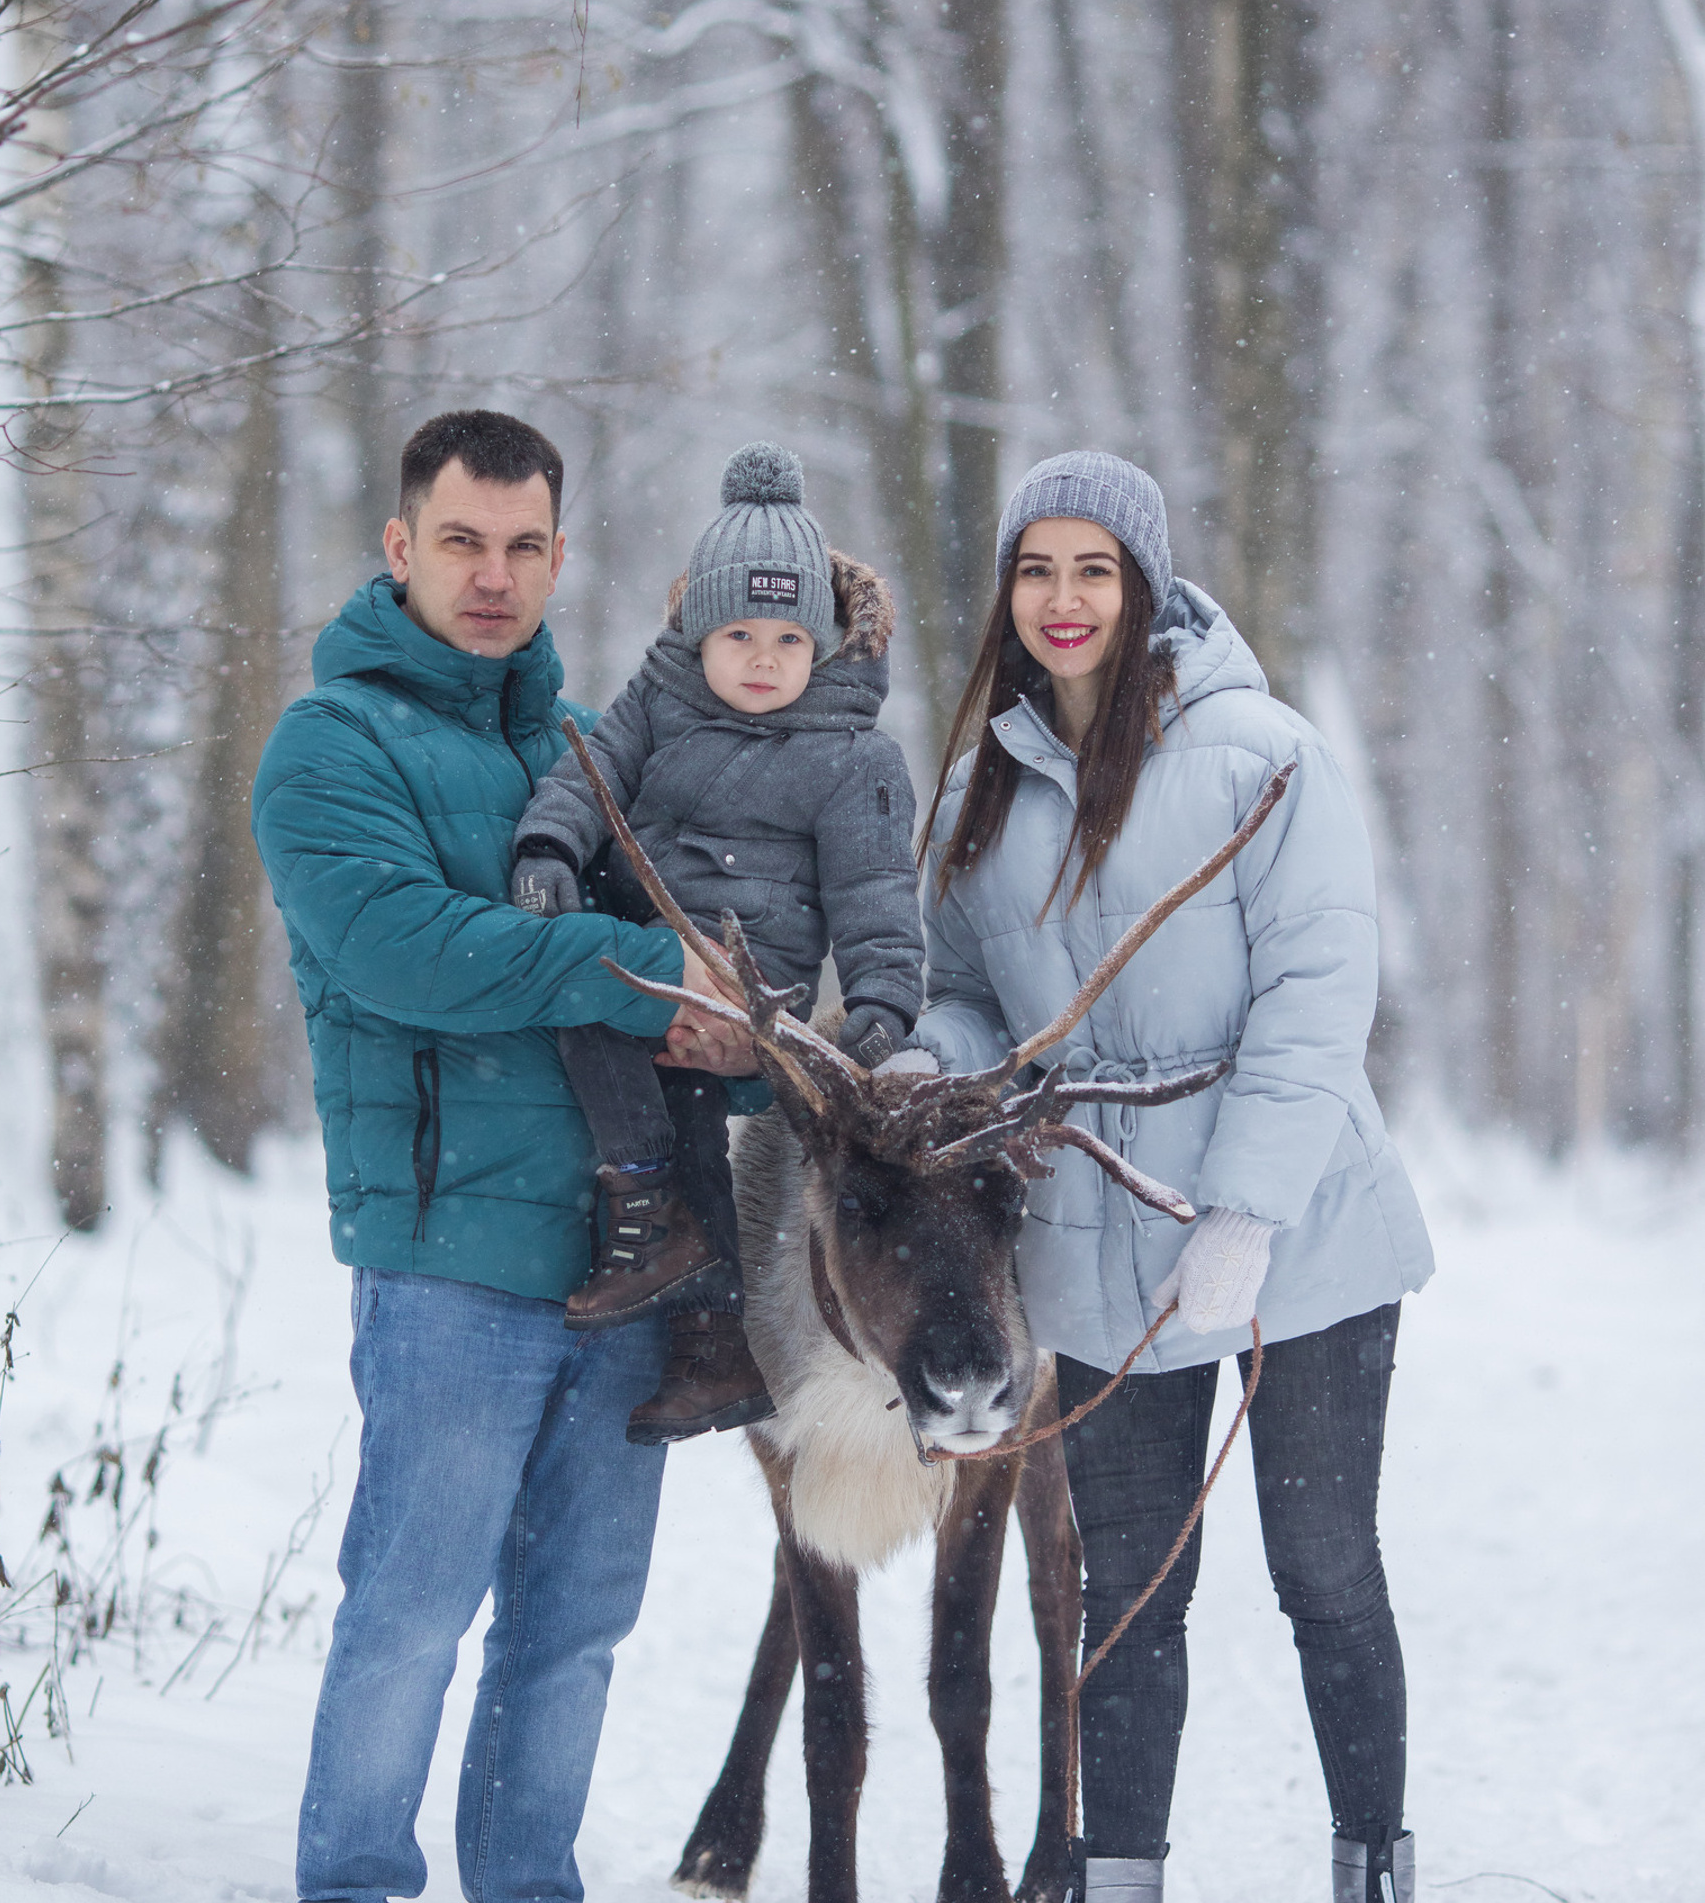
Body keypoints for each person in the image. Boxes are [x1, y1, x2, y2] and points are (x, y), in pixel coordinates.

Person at [909, 451, 1435, 1903]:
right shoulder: (979, 794)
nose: (1063, 600)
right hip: (1097, 1244)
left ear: (1143, 586)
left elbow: (1319, 993)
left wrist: (1247, 1209)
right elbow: (970, 998)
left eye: (1094, 570)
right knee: (1129, 1596)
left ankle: (1374, 1869)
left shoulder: (1261, 753)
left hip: (1303, 1239)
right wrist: (930, 1063)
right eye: (1036, 570)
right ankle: (1123, 1879)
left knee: (1322, 1568)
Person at [251, 409, 750, 1903]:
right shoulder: (331, 745)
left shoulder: (590, 748)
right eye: (462, 541)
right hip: (450, 1268)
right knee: (410, 1617)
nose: (493, 575)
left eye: (524, 546)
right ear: (399, 545)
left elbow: (700, 948)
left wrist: (740, 1025)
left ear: (558, 556)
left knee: (573, 1633)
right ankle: (355, 1884)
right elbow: (403, 949)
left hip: (630, 1258)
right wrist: (638, 973)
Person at [511, 441, 923, 1446]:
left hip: (751, 977)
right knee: (612, 1018)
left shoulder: (853, 755)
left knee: (647, 1042)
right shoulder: (657, 701)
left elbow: (876, 894)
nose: (763, 659)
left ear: (822, 643)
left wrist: (880, 1008)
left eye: (788, 637)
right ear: (698, 630)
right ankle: (713, 1338)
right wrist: (547, 847)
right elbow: (586, 776)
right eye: (739, 633)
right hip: (651, 938)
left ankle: (649, 1204)